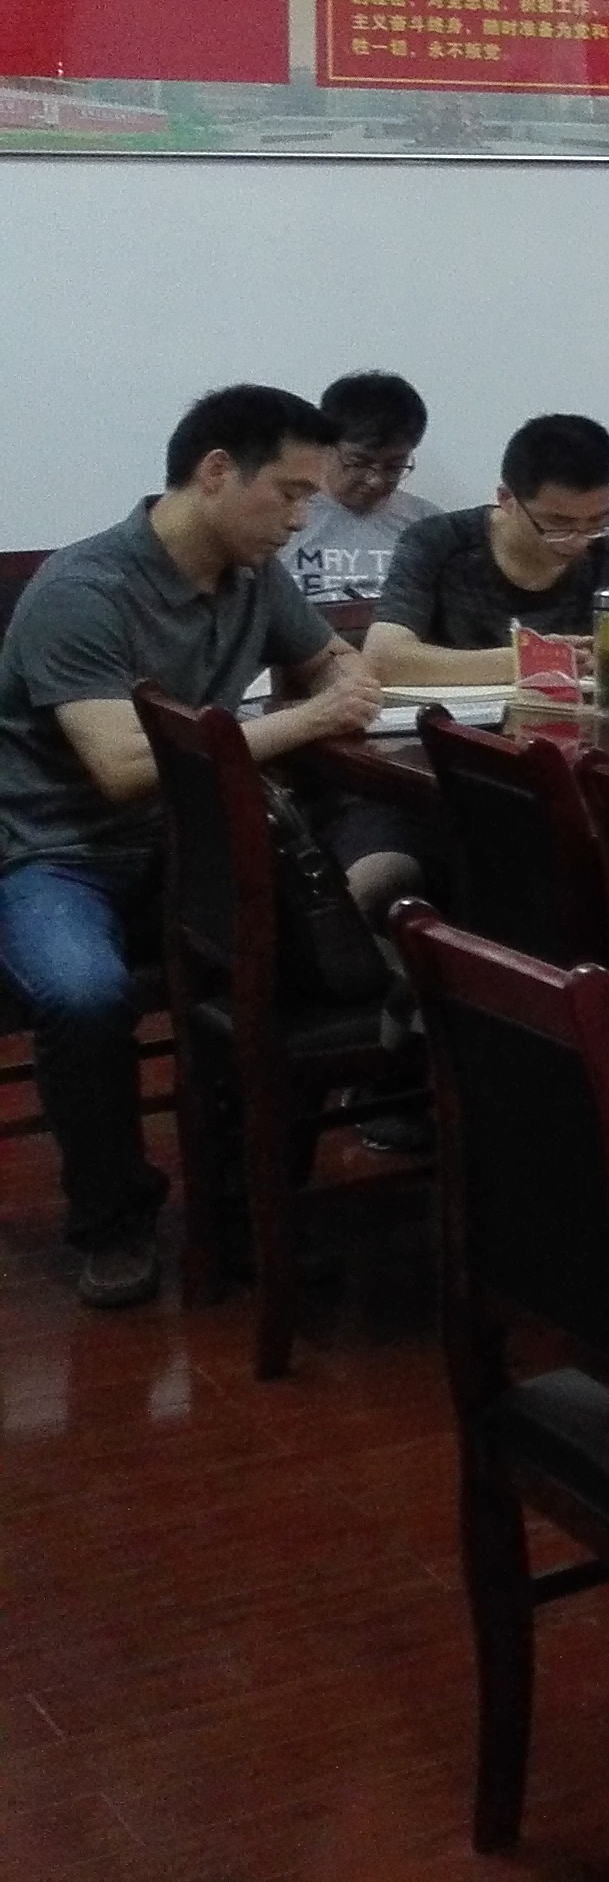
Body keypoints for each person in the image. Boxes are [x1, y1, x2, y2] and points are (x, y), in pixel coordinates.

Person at [0, 386, 386, 1308]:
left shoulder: (253, 574)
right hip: (59, 852)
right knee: (84, 995)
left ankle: (250, 1201)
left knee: (309, 960)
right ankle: (113, 1218)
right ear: (216, 472)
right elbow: (123, 767)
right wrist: (309, 720)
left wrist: (343, 677)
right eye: (289, 493)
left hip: (189, 843)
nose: (300, 520)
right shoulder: (83, 591)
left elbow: (331, 662)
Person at [361, 413, 609, 686]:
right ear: (507, 499)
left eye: (597, 520)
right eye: (558, 524)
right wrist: (534, 661)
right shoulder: (438, 541)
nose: (580, 540)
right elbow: (382, 658)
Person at [289, 370, 438, 616]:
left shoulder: (427, 525)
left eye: (394, 466)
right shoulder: (285, 514)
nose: (375, 481)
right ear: (325, 446)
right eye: (359, 462)